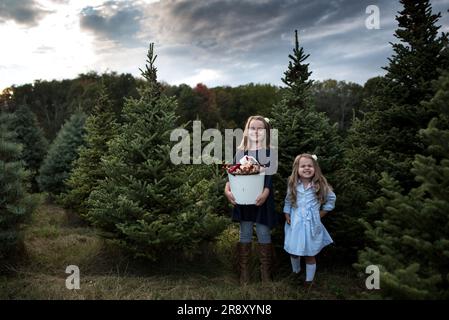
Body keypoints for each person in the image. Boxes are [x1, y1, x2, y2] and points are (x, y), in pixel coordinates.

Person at [224, 115, 278, 285]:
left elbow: (269, 175)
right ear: (247, 131)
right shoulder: (241, 152)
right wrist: (227, 190)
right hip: (244, 199)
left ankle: (265, 275)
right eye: (252, 128)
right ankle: (244, 274)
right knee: (245, 232)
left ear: (266, 132)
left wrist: (266, 192)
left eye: (260, 128)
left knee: (263, 232)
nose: (256, 131)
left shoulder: (270, 152)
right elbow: (232, 174)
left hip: (262, 198)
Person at [283, 153, 336, 287]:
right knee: (294, 252)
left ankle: (309, 281)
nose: (306, 168)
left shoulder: (320, 185)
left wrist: (321, 213)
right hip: (295, 224)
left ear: (315, 168)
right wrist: (287, 214)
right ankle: (295, 272)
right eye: (303, 166)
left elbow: (331, 199)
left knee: (309, 254)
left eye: (310, 166)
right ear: (297, 169)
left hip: (312, 225)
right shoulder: (293, 184)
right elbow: (288, 201)